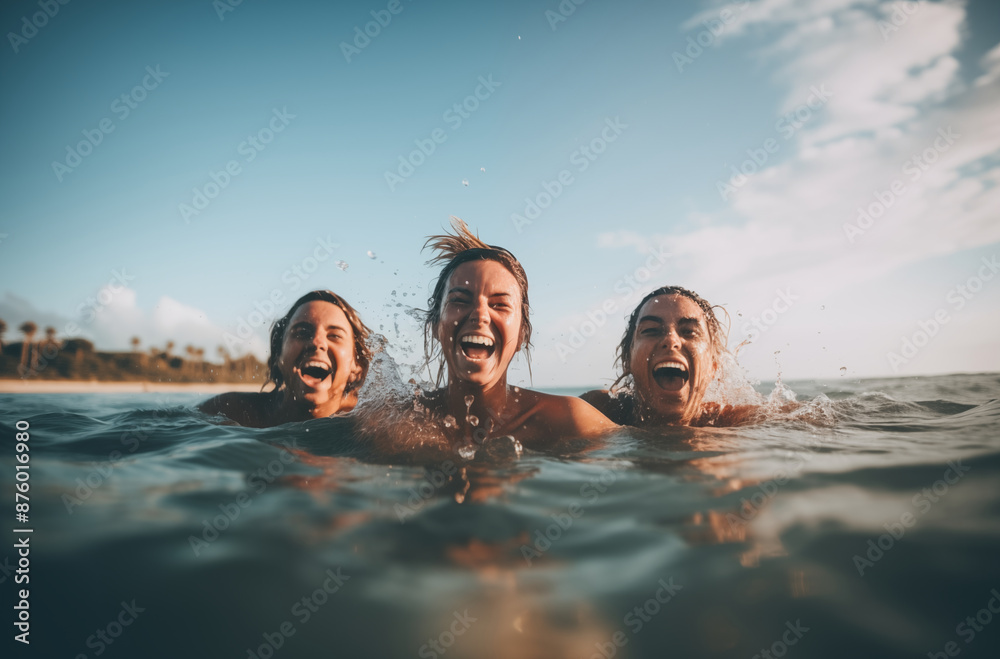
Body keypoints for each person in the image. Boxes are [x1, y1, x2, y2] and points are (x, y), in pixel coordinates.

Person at [415, 217, 617, 452]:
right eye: (459, 301)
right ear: (434, 327)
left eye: (499, 305)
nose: (480, 315)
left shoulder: (572, 422)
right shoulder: (394, 422)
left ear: (522, 335)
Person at [582, 286, 756, 427]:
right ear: (628, 360)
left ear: (713, 366)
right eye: (651, 330)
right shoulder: (598, 411)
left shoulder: (735, 423)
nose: (671, 340)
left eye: (689, 332)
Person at [199, 290, 372, 427]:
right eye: (302, 332)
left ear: (357, 368)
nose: (317, 342)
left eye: (334, 336)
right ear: (277, 359)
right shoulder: (231, 411)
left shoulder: (370, 421)